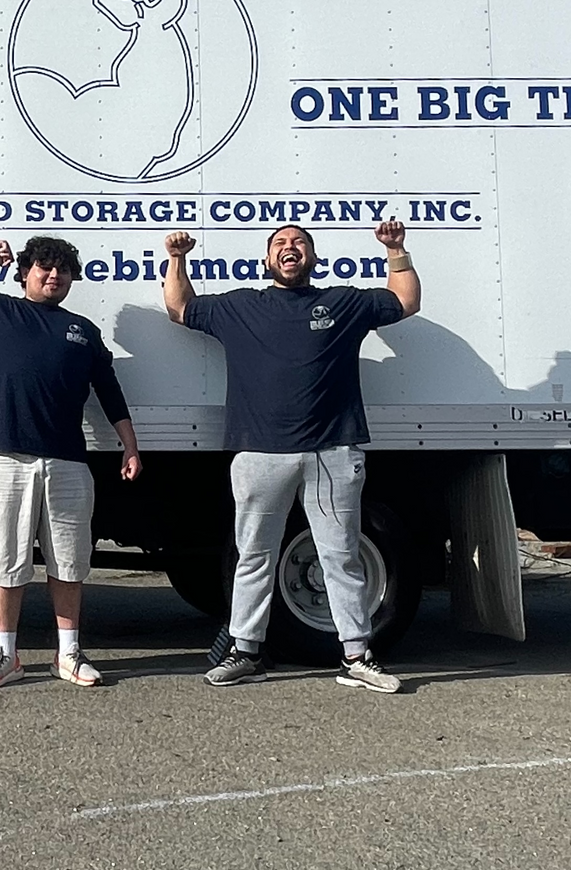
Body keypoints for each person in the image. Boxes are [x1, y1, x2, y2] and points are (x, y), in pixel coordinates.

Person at [162, 222, 420, 691]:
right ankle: (245, 652)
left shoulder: (342, 303)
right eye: (279, 244)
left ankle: (358, 658)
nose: (289, 248)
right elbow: (179, 307)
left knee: (340, 555)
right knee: (253, 556)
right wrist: (176, 258)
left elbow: (405, 301)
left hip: (332, 452)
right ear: (266, 261)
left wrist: (396, 250)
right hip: (259, 455)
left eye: (299, 243)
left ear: (313, 258)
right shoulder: (240, 306)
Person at [0, 236, 141, 688]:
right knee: (6, 559)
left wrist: (130, 445)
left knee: (69, 559)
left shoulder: (82, 330)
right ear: (24, 273)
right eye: (43, 267)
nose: (53, 275)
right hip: (5, 459)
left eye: (62, 269)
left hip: (67, 463)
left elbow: (109, 389)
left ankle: (69, 654)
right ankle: (6, 655)